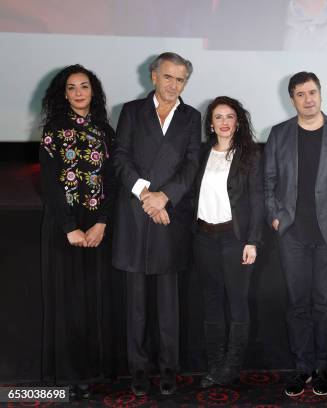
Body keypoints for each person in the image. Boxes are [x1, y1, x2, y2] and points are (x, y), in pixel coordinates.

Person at [264, 71, 327, 397]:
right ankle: (301, 368)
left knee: (326, 305)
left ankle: (321, 368)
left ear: (321, 94)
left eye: (313, 92)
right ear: (292, 99)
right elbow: (269, 182)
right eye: (301, 94)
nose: (308, 99)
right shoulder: (278, 134)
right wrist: (276, 217)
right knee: (297, 305)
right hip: (292, 234)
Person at [113, 52, 201, 396]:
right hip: (135, 215)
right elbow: (120, 157)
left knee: (168, 306)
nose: (173, 85)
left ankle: (168, 369)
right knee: (135, 305)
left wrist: (165, 197)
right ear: (153, 77)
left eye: (180, 80)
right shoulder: (132, 112)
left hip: (169, 217)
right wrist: (145, 193)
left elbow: (192, 164)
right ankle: (138, 369)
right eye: (168, 77)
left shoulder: (192, 117)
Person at [39, 64, 116, 400]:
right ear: (64, 93)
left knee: (94, 300)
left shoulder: (106, 131)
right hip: (63, 226)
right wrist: (70, 227)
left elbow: (111, 181)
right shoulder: (53, 131)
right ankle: (69, 376)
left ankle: (93, 371)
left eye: (85, 86)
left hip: (98, 223)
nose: (79, 93)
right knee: (68, 301)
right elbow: (50, 184)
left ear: (93, 91)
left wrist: (101, 222)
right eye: (72, 88)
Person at [193, 96, 263, 387]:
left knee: (236, 302)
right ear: (210, 123)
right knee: (211, 303)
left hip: (235, 239)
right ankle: (215, 366)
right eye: (218, 117)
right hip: (204, 237)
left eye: (229, 116)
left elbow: (257, 201)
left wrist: (252, 241)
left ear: (238, 122)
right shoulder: (200, 153)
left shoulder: (249, 154)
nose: (224, 122)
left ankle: (231, 368)